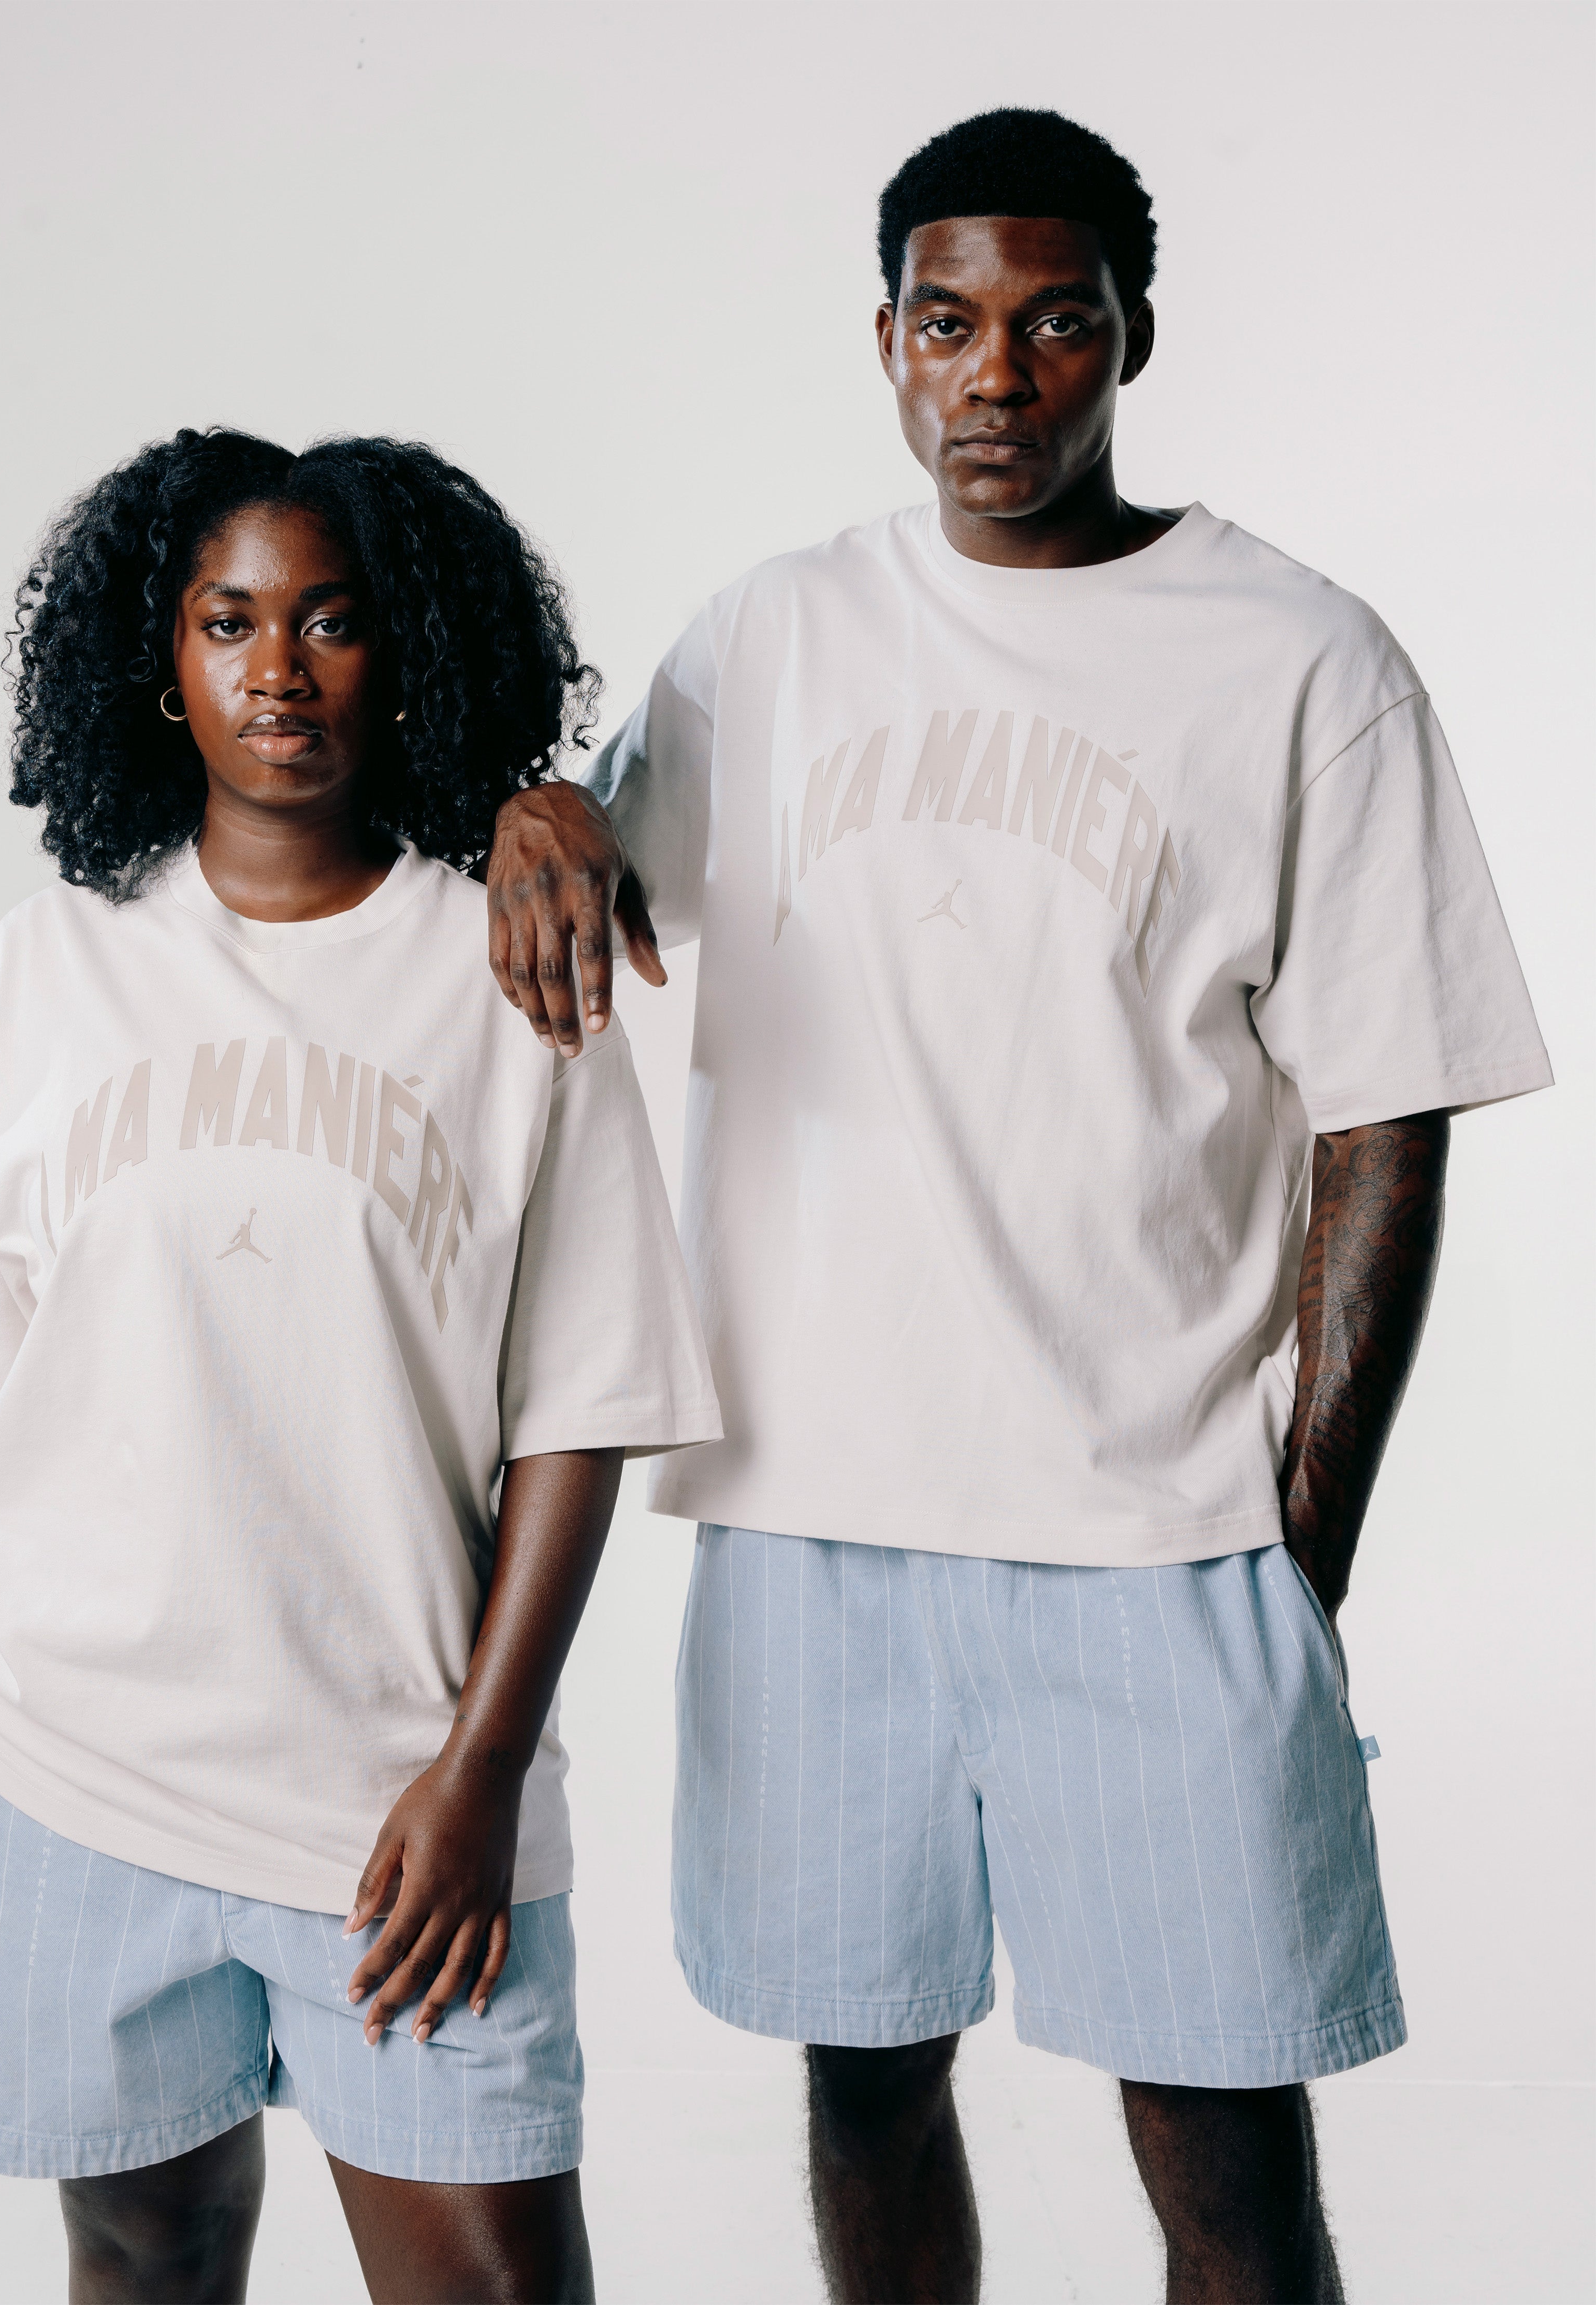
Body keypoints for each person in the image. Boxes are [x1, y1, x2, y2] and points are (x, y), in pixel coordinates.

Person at [484, 108, 1552, 2304]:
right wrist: (530, 806)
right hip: (808, 1520)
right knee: (865, 2085)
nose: (995, 376)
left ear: (1131, 336)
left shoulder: (1297, 658)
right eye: (946, 322)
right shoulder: (772, 636)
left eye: (1053, 323)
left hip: (1156, 1530)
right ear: (883, 339)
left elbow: (1386, 1113)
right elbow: (584, 880)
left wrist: (1302, 1536)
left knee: (1224, 2137)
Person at [0, 428, 719, 2303]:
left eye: (331, 620)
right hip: (61, 1763)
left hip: (396, 1796)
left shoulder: (511, 971)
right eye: (229, 621)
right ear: (163, 659)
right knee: (141, 2252)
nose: (278, 669)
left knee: (496, 2276)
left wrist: (481, 1773)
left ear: (411, 653)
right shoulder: (39, 973)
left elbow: (579, 1427)